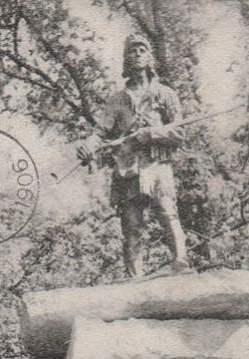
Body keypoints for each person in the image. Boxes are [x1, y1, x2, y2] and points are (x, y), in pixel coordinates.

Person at [77, 33, 189, 278]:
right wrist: (88, 144)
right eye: (132, 51)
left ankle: (181, 262)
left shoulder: (165, 94)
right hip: (128, 168)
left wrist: (151, 134)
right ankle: (134, 276)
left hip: (158, 163)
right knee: (132, 226)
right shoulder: (117, 101)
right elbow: (100, 133)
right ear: (125, 59)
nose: (137, 55)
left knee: (167, 212)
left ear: (149, 57)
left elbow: (179, 131)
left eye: (142, 50)